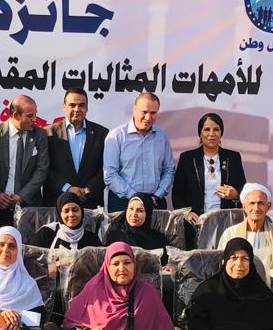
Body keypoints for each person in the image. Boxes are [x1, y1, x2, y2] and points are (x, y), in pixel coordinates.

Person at [216, 183, 273, 330]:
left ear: (268, 206)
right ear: (244, 206)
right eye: (252, 203)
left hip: (270, 283)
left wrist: (266, 276)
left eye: (261, 203)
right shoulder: (230, 233)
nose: (256, 208)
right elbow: (223, 263)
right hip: (238, 284)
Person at [171, 112, 247, 248]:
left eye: (216, 129)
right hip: (196, 223)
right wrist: (186, 213)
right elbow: (177, 193)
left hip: (226, 222)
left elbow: (244, 190)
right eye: (207, 129)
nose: (211, 134)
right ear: (200, 133)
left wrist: (235, 194)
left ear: (221, 133)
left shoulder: (233, 157)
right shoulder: (187, 158)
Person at [0, 94, 50, 226]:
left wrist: (22, 196)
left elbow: (42, 169)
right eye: (30, 116)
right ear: (15, 115)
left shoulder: (40, 134)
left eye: (35, 114)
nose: (35, 119)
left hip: (29, 206)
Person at [103, 92, 174, 213]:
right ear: (134, 109)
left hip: (155, 201)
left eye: (153, 113)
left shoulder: (162, 136)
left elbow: (169, 170)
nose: (148, 117)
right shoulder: (117, 136)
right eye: (144, 112)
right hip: (123, 202)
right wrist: (136, 198)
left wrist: (158, 194)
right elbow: (110, 174)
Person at [44, 87, 108, 208]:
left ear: (87, 107)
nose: (77, 109)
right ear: (64, 106)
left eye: (82, 105)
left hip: (90, 203)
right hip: (57, 203)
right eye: (72, 105)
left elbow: (106, 168)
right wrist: (67, 188)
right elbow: (44, 168)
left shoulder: (102, 134)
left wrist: (87, 190)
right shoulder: (48, 134)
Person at [29, 192, 102, 251]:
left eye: (75, 210)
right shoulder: (46, 233)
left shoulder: (92, 239)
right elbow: (30, 258)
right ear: (59, 214)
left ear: (82, 212)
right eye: (66, 211)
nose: (71, 214)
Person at [103, 192, 170, 252]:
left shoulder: (158, 240)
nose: (134, 214)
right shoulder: (114, 234)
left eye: (140, 211)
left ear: (148, 213)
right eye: (131, 209)